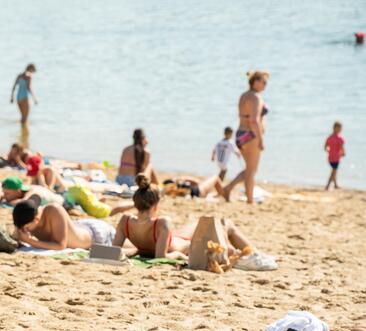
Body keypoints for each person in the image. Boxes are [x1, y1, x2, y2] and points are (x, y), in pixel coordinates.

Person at [113, 174, 272, 270]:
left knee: (203, 221)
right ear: (155, 205)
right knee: (226, 223)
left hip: (174, 238)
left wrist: (137, 251)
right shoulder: (161, 222)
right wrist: (179, 255)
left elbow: (114, 251)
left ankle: (255, 253)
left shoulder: (125, 221)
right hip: (186, 244)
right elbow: (160, 256)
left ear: (136, 203)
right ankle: (255, 254)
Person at [223, 71, 270, 204]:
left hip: (240, 133)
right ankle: (250, 200)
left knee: (249, 169)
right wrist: (260, 139)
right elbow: (254, 120)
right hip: (251, 134)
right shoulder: (256, 97)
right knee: (251, 170)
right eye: (264, 82)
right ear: (255, 81)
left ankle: (228, 187)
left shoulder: (244, 96)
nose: (265, 85)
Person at [12, 195, 117, 250]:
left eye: (26, 228)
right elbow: (15, 238)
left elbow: (61, 245)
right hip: (77, 227)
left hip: (97, 235)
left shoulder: (53, 210)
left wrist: (30, 241)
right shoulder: (24, 218)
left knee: (130, 247)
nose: (23, 230)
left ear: (36, 220)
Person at [324, 121, 345, 190]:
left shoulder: (329, 137)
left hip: (330, 157)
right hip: (335, 158)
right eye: (340, 128)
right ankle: (327, 185)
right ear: (335, 128)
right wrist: (343, 153)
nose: (340, 130)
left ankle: (335, 185)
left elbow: (325, 147)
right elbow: (342, 148)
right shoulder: (339, 138)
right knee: (333, 172)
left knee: (334, 171)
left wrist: (328, 150)